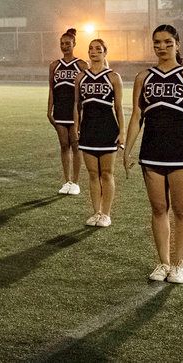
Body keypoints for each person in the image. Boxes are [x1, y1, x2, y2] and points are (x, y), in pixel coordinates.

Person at [124, 24, 183, 284]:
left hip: (182, 150)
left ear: (177, 44)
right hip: (151, 150)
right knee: (158, 208)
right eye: (157, 43)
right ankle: (163, 262)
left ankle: (179, 264)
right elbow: (137, 115)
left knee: (182, 210)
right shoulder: (143, 77)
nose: (162, 47)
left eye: (167, 42)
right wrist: (126, 149)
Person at [71, 39, 124, 227]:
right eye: (91, 49)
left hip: (108, 128)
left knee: (107, 173)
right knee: (93, 174)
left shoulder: (113, 77)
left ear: (105, 52)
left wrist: (122, 132)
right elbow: (77, 106)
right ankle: (96, 212)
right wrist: (77, 127)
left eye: (98, 49)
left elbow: (118, 108)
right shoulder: (80, 77)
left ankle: (107, 214)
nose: (94, 52)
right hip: (88, 129)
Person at [47, 28, 86, 195]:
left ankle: (76, 182)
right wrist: (49, 110)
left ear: (74, 44)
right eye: (62, 44)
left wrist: (83, 114)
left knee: (76, 146)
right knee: (64, 146)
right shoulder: (54, 65)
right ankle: (67, 181)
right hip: (60, 111)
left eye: (68, 44)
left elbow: (85, 92)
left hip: (75, 112)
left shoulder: (82, 65)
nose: (64, 46)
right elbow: (51, 89)